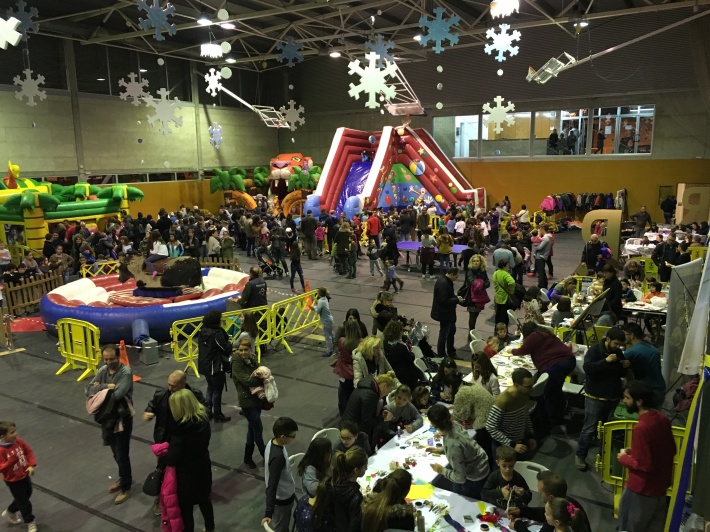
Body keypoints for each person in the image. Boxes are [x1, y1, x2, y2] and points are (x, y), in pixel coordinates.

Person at [617, 383, 676, 532]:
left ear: (639, 401)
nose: (624, 401)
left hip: (640, 491)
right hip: (660, 489)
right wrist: (635, 450)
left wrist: (623, 457)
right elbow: (670, 449)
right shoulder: (662, 419)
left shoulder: (641, 427)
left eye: (627, 397)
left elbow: (644, 465)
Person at [158, 389, 214, 532]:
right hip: (203, 468)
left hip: (186, 477)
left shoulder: (180, 431)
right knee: (205, 501)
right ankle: (210, 528)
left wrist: (161, 452)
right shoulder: (203, 421)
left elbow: (172, 459)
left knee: (186, 510)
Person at [85, 344, 134, 504]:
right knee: (115, 451)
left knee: (122, 453)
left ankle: (126, 486)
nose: (108, 362)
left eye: (111, 359)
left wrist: (100, 390)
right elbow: (87, 390)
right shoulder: (103, 370)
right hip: (107, 418)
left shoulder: (125, 372)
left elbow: (118, 394)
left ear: (118, 357)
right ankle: (123, 477)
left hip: (122, 418)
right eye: (105, 359)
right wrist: (107, 387)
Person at [575, 327, 629, 471]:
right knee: (589, 428)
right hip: (595, 396)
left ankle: (604, 459)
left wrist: (625, 366)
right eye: (616, 344)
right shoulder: (594, 351)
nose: (618, 347)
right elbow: (588, 369)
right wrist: (605, 361)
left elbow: (621, 374)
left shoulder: (618, 353)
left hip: (612, 397)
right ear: (608, 339)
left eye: (620, 345)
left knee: (607, 430)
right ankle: (580, 455)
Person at [512, 322, 575, 423]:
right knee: (557, 390)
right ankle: (559, 414)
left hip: (556, 365)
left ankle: (550, 419)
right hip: (568, 361)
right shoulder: (544, 332)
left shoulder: (533, 336)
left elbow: (522, 350)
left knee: (549, 393)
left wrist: (512, 351)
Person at [426, 404, 490, 499]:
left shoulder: (453, 444)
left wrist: (441, 470)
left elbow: (460, 478)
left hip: (474, 477)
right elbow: (463, 447)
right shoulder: (454, 423)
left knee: (460, 502)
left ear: (433, 424)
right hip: (480, 465)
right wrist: (442, 450)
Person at [508, 470, 590, 532]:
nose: (539, 494)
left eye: (540, 492)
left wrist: (518, 524)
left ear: (551, 498)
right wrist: (521, 511)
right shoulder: (566, 505)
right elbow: (545, 513)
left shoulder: (558, 519)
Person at [485, 368, 537, 459]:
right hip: (503, 447)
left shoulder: (524, 394)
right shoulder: (502, 401)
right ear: (517, 385)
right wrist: (512, 444)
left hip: (519, 442)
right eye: (528, 386)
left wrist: (530, 435)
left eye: (532, 385)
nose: (531, 388)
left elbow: (525, 415)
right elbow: (490, 426)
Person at [232, 337, 266, 469]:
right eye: (240, 350)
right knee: (258, 430)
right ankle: (266, 455)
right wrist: (261, 381)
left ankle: (247, 457)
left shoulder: (252, 359)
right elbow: (246, 380)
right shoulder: (236, 363)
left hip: (256, 399)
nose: (243, 352)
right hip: (246, 401)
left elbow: (260, 371)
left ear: (250, 349)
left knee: (251, 430)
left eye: (246, 350)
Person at [262, 417, 299, 532]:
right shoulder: (277, 458)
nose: (294, 438)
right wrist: (268, 513)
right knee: (281, 527)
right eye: (293, 436)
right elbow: (272, 485)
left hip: (284, 494)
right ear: (283, 437)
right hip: (282, 500)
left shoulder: (272, 442)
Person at [0, 421, 38, 532]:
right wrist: (10, 462)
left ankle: (10, 511)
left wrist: (31, 465)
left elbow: (28, 450)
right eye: (12, 432)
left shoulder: (18, 441)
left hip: (24, 474)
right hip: (13, 480)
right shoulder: (1, 450)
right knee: (24, 501)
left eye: (15, 431)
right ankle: (30, 521)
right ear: (3, 436)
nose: (15, 434)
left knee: (27, 494)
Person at [342, 373, 396, 449]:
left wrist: (381, 413)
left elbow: (368, 412)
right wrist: (383, 418)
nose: (387, 394)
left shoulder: (368, 388)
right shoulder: (370, 395)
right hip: (353, 432)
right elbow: (367, 420)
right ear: (384, 386)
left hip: (349, 426)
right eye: (388, 391)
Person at [322, 447, 368, 532]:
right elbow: (354, 526)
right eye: (365, 466)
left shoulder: (332, 482)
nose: (367, 469)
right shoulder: (355, 496)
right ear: (356, 470)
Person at [197, 310, 231, 423]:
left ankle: (208, 412)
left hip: (205, 365)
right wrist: (230, 345)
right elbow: (225, 348)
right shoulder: (217, 333)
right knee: (217, 391)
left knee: (210, 389)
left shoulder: (203, 331)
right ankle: (218, 414)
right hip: (215, 366)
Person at [623, 323, 666, 406]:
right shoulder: (654, 349)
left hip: (647, 392)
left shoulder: (630, 353)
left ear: (632, 335)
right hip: (660, 390)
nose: (623, 337)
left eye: (625, 334)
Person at [481, 445, 532, 509]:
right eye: (504, 466)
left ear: (514, 463)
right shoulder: (494, 476)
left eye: (510, 466)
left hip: (514, 511)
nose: (507, 469)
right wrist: (500, 492)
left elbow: (528, 497)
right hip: (497, 510)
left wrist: (523, 494)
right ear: (497, 463)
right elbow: (484, 494)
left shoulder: (518, 478)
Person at [431, 267, 464, 359]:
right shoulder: (444, 284)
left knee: (451, 332)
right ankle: (441, 354)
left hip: (448, 313)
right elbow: (443, 301)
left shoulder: (444, 281)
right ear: (452, 274)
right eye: (456, 277)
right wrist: (456, 299)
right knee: (444, 334)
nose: (456, 279)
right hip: (444, 314)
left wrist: (455, 297)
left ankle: (451, 351)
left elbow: (447, 296)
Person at [510, 496, 590, 532]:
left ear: (557, 522)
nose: (544, 514)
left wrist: (518, 524)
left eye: (547, 514)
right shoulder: (563, 526)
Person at [383, 320, 420, 391]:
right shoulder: (401, 347)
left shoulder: (385, 342)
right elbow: (411, 357)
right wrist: (410, 351)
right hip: (404, 375)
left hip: (394, 370)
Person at [334, 320, 361, 414]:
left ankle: (343, 413)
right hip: (356, 373)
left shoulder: (342, 341)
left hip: (344, 373)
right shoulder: (360, 343)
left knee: (344, 395)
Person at [466, 253, 490, 330]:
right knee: (472, 316)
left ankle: (472, 332)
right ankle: (471, 332)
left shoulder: (483, 271)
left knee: (476, 314)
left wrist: (480, 284)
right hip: (471, 297)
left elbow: (488, 283)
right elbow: (472, 282)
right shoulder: (470, 271)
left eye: (477, 261)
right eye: (474, 261)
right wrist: (482, 283)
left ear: (480, 262)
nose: (476, 262)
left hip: (480, 297)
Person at [493, 259, 516, 326]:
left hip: (497, 296)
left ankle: (497, 329)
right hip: (505, 297)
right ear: (504, 266)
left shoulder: (496, 273)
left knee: (498, 314)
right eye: (508, 265)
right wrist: (511, 290)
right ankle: (504, 330)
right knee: (504, 315)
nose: (509, 267)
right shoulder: (505, 274)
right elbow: (512, 282)